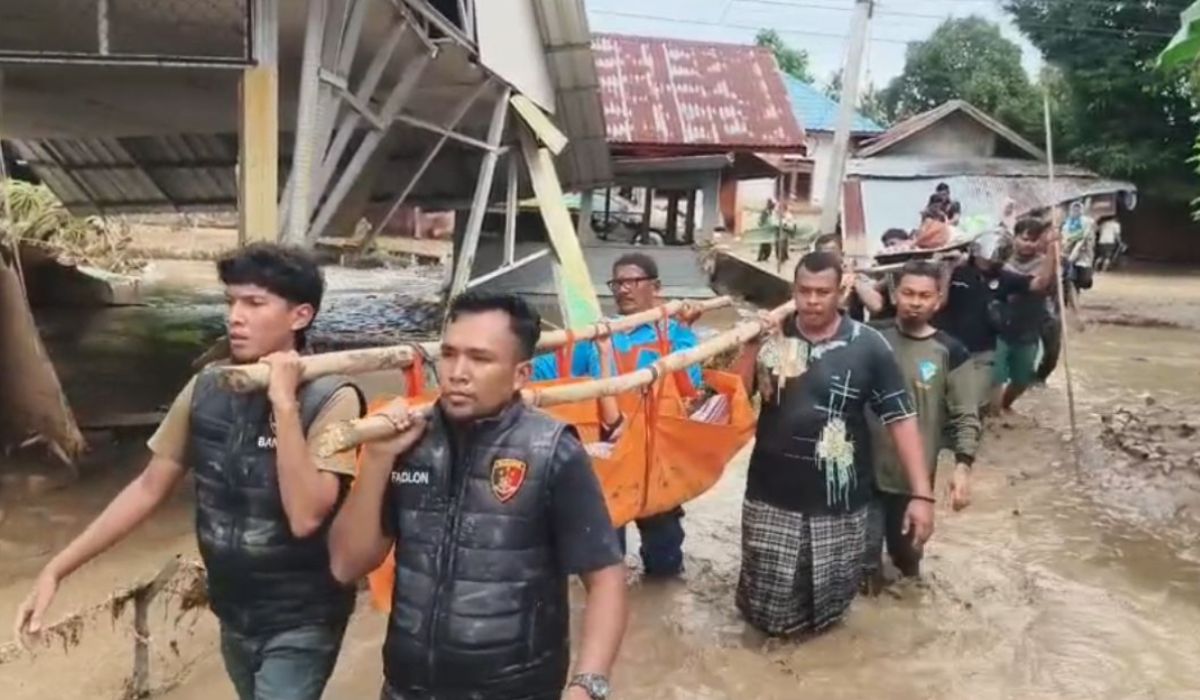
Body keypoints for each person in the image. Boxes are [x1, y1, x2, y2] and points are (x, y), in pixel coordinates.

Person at [13, 244, 366, 700]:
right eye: (231, 301)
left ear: (300, 316)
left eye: (254, 304)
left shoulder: (332, 399)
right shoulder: (207, 387)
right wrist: (57, 569)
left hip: (302, 617)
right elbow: (147, 488)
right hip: (234, 610)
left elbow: (305, 516)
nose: (235, 317)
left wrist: (283, 402)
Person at [329, 292, 627, 700]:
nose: (458, 372)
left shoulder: (552, 450)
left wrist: (587, 686)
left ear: (521, 374)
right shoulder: (408, 442)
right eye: (449, 354)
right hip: (406, 688)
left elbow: (606, 578)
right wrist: (378, 459)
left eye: (480, 359)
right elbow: (347, 564)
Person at [729, 252, 935, 637]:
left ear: (840, 292)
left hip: (840, 504)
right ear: (793, 291)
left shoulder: (868, 346)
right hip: (769, 498)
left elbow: (901, 420)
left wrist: (922, 496)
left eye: (822, 292)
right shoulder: (773, 336)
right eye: (804, 291)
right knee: (762, 611)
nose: (812, 300)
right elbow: (733, 402)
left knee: (827, 614)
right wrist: (752, 347)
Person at [531, 253, 699, 577]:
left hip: (656, 460)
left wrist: (682, 332)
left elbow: (690, 388)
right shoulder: (598, 337)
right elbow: (547, 371)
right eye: (617, 282)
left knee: (665, 560)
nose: (623, 289)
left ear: (656, 287)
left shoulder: (677, 335)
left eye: (632, 281)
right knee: (606, 561)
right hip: (608, 462)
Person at [863, 262, 980, 588]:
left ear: (938, 299)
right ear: (894, 294)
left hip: (912, 484)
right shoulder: (872, 338)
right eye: (908, 293)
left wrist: (962, 467)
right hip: (865, 475)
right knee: (863, 567)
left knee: (907, 567)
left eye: (924, 295)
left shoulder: (951, 351)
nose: (915, 302)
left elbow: (965, 414)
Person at [933, 229, 1054, 413]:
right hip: (947, 349)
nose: (989, 260)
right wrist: (946, 271)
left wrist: (1053, 251)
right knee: (941, 400)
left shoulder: (1005, 278)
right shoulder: (955, 270)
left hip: (981, 353)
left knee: (971, 403)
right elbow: (936, 302)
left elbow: (1040, 284)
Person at [993, 218, 1061, 414]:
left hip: (1028, 328)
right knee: (994, 377)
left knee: (1022, 380)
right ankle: (993, 414)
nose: (1028, 245)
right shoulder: (1002, 260)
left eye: (1033, 241)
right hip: (1000, 327)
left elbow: (1043, 281)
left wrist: (1052, 252)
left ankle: (1004, 407)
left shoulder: (1044, 263)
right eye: (1024, 239)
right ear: (1014, 238)